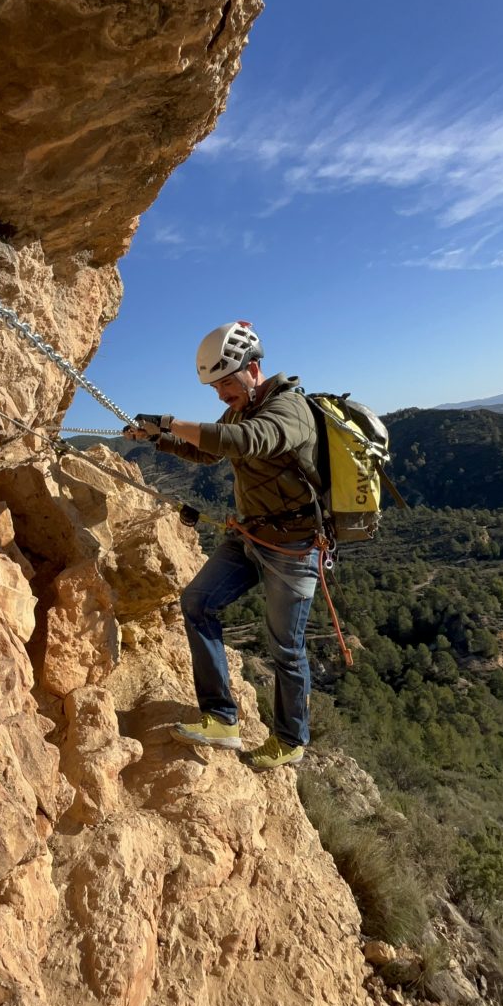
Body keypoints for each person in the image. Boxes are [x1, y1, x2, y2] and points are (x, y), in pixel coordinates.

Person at [125, 321, 322, 771]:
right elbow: (211, 451)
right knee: (196, 602)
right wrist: (160, 438)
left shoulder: (288, 410)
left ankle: (291, 739)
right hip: (249, 536)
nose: (220, 395)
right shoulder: (240, 409)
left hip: (293, 547)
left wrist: (171, 421)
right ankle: (221, 718)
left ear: (254, 369)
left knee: (285, 647)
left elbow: (249, 442)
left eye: (226, 383)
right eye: (215, 387)